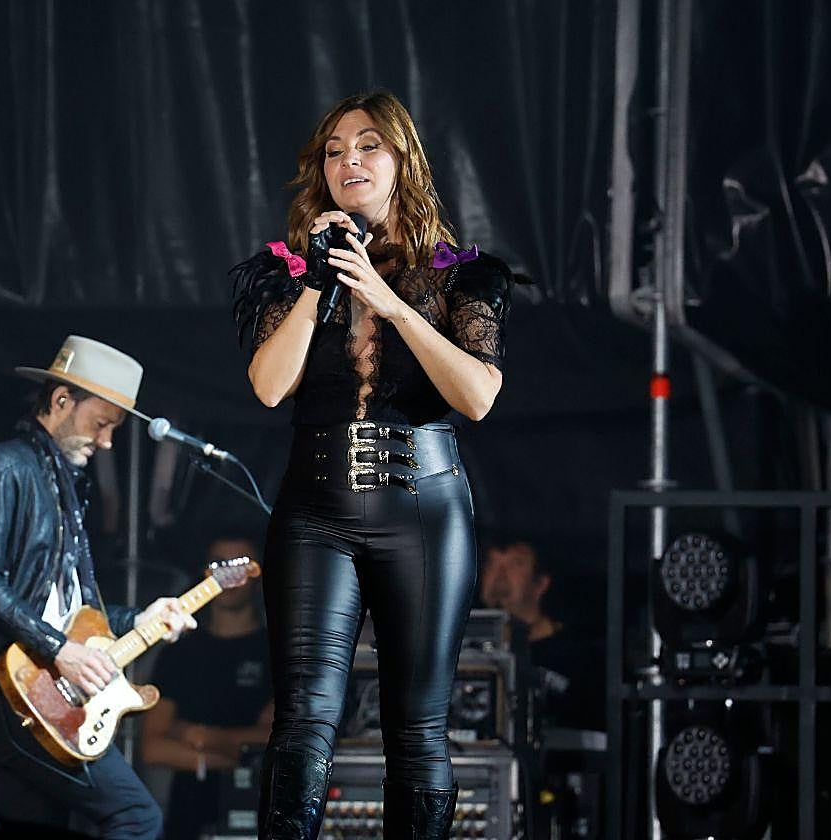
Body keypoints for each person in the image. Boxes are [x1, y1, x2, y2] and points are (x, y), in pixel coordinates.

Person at [231, 90, 525, 839]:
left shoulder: (463, 273)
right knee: (303, 718)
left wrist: (391, 303)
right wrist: (318, 283)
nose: (348, 161)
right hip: (315, 510)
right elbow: (269, 389)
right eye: (333, 150)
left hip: (422, 507)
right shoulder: (285, 272)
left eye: (367, 145)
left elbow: (479, 397)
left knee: (417, 727)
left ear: (402, 160)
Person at [0, 335, 197, 837]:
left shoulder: (64, 484)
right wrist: (59, 650)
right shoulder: (5, 467)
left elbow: (68, 607)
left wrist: (138, 619)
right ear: (62, 401)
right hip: (9, 690)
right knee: (136, 815)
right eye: (101, 423)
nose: (107, 442)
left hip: (37, 691)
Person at [140, 531, 274, 840]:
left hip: (260, 810)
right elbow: (152, 748)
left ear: (257, 573)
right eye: (219, 564)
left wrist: (194, 734)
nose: (229, 575)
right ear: (205, 572)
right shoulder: (181, 652)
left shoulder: (276, 652)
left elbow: (275, 740)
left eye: (240, 565)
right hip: (190, 813)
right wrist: (232, 756)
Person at [478, 535, 604, 731]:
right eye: (491, 563)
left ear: (541, 583)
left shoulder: (581, 656)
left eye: (515, 563)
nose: (499, 574)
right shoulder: (462, 650)